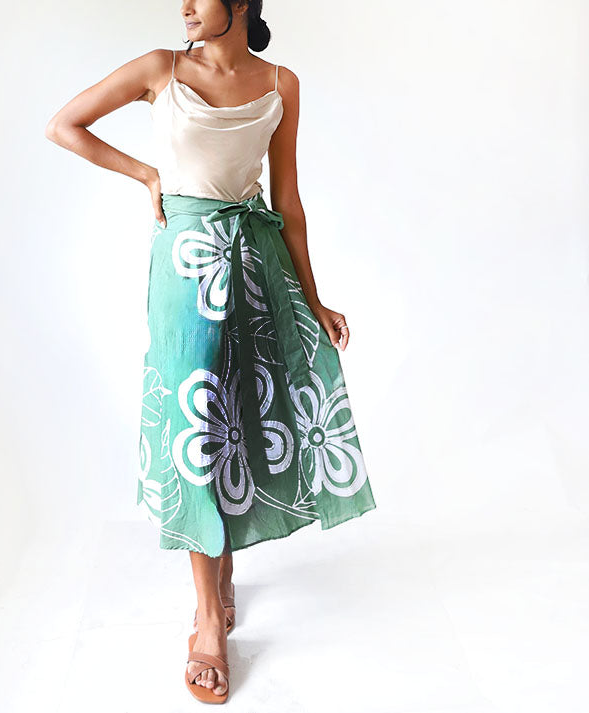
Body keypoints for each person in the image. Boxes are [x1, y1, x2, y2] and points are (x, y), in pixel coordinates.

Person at [45, 0, 377, 703]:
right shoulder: (159, 69)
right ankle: (205, 618)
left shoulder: (281, 84)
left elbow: (287, 201)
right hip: (185, 262)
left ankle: (221, 574)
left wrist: (314, 298)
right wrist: (147, 175)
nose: (186, 6)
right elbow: (63, 125)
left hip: (256, 260)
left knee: (243, 421)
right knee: (195, 428)